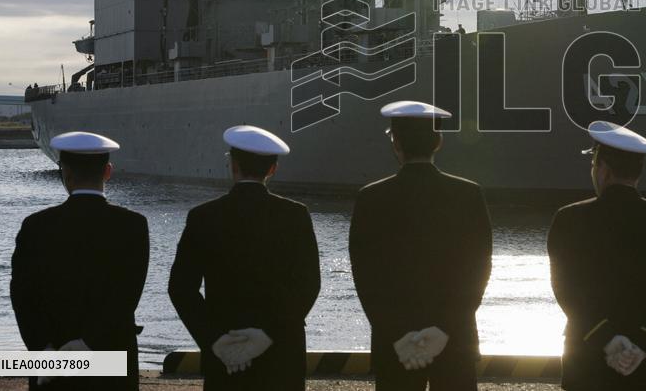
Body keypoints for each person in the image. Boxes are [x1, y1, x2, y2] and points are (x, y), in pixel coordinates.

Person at [349, 101, 492, 391]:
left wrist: (395, 333)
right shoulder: (469, 194)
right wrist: (444, 329)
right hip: (455, 342)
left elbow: (365, 277)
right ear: (438, 141)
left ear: (395, 142)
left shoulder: (370, 198)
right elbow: (479, 271)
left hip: (396, 345)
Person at [547, 121, 646, 391]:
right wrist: (644, 343)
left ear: (602, 168)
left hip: (587, 356)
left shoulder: (569, 219)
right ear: (638, 172)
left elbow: (565, 288)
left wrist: (606, 338)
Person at [168, 126, 320, 390]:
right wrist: (268, 335)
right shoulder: (296, 215)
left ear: (232, 165)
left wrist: (215, 340)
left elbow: (181, 289)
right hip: (282, 358)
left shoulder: (203, 216)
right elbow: (309, 285)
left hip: (225, 359)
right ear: (272, 169)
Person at [11, 131, 149, 391]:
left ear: (66, 173)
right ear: (107, 172)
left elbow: (22, 296)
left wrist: (44, 348)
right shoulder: (133, 226)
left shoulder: (35, 227)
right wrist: (88, 342)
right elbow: (127, 295)